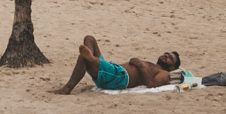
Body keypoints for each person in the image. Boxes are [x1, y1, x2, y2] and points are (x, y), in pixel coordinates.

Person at [51, 36, 182, 94]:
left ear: (172, 68)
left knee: (83, 58)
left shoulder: (164, 74)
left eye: (170, 58)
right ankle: (90, 56)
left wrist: (141, 66)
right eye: (167, 53)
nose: (166, 55)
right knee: (89, 39)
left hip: (120, 78)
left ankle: (67, 88)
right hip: (114, 70)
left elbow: (152, 86)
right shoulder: (154, 65)